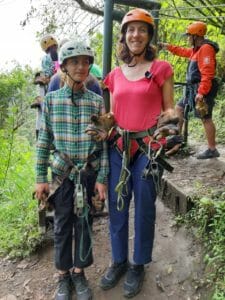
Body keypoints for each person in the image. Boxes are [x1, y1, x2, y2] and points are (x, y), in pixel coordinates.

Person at [99, 8, 175, 298]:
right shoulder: (113, 76)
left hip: (147, 148)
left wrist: (170, 120)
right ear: (124, 35)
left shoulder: (160, 69)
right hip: (119, 147)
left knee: (143, 208)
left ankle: (138, 264)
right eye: (131, 29)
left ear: (149, 36)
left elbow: (168, 106)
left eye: (142, 30)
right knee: (117, 207)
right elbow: (111, 115)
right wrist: (102, 125)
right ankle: (118, 260)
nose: (136, 35)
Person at [34, 39, 108, 300]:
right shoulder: (52, 101)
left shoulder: (95, 101)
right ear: (63, 66)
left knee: (85, 222)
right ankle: (63, 275)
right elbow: (44, 141)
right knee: (63, 224)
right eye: (74, 62)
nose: (81, 66)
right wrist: (40, 178)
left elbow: (102, 146)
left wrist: (101, 178)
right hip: (62, 175)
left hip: (87, 174)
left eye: (85, 62)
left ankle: (79, 271)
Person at [158, 21, 220, 159]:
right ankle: (176, 140)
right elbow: (183, 51)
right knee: (179, 108)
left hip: (202, 89)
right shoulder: (196, 50)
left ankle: (212, 149)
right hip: (192, 89)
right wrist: (167, 46)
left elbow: (208, 73)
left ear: (196, 36)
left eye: (188, 36)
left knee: (205, 118)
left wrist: (201, 92)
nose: (187, 38)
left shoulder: (206, 49)